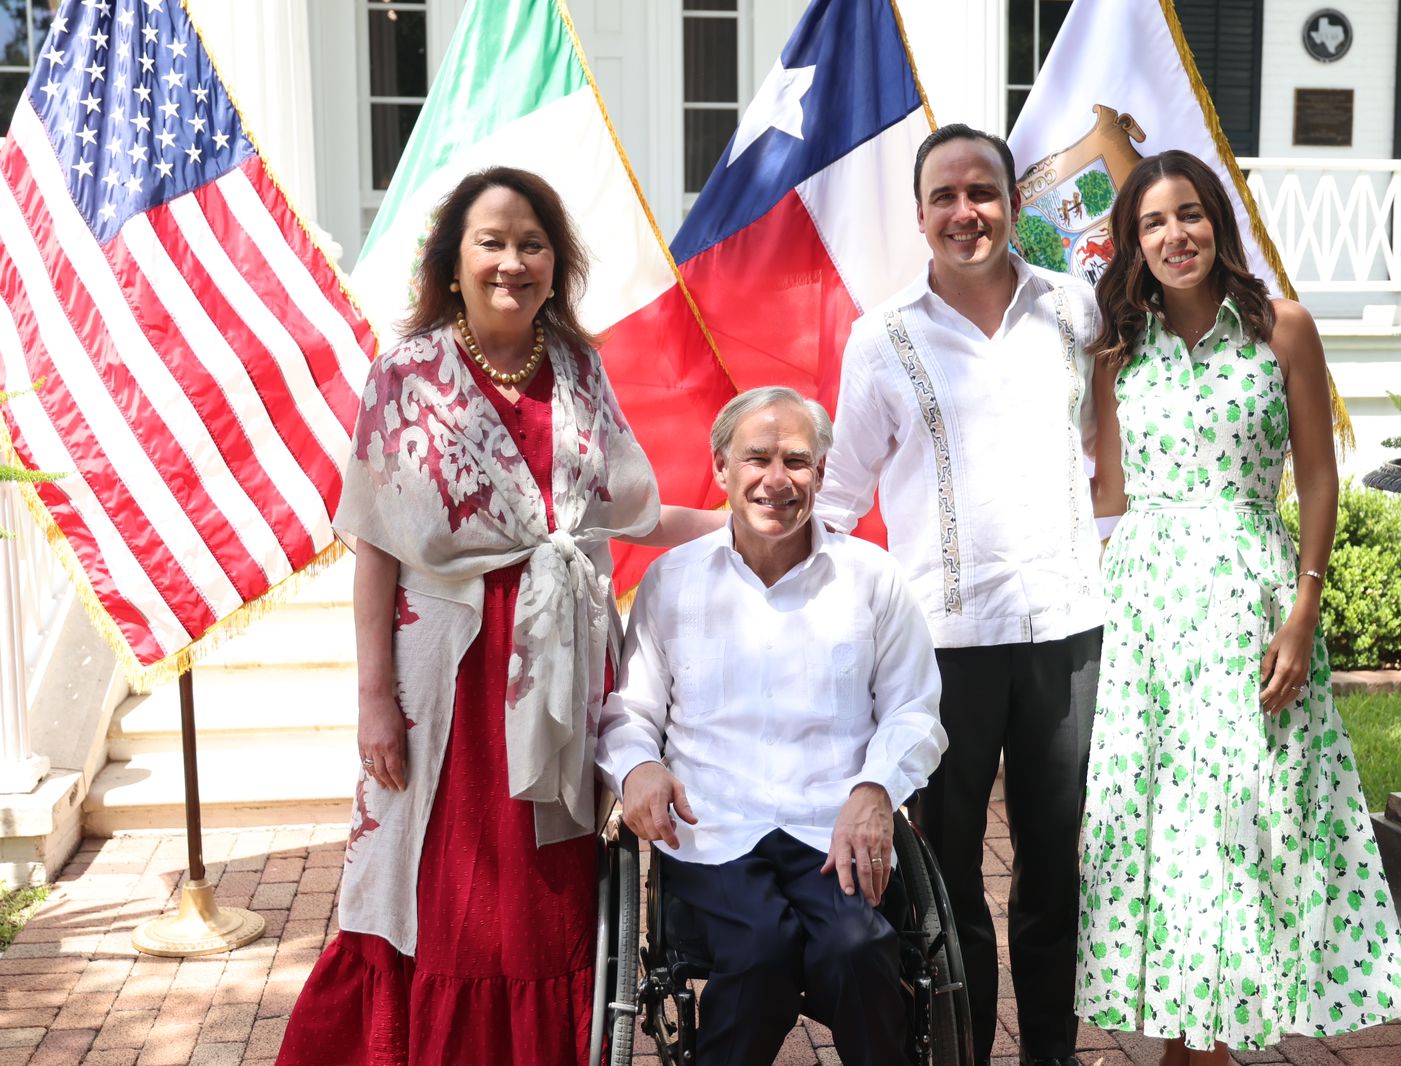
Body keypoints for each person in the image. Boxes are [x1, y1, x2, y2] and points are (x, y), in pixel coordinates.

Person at [277, 167, 707, 1065]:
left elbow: (619, 515)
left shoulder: (582, 370)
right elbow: (377, 547)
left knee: (546, 903)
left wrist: (732, 524)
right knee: (448, 898)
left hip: (561, 672)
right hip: (453, 684)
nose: (512, 261)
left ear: (556, 262)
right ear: (452, 259)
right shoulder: (406, 376)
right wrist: (372, 699)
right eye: (492, 241)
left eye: (532, 243)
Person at [1075, 149, 1401, 1065]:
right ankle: (1193, 1042)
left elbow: (1317, 476)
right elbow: (1105, 490)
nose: (1173, 235)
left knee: (1240, 825)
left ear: (1216, 222)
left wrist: (1304, 613)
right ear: (1133, 244)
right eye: (1152, 223)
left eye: (1188, 215)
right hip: (1146, 613)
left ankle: (1210, 1043)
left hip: (1248, 607)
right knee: (1157, 829)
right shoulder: (1117, 349)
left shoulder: (1281, 329)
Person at [814, 124, 1106, 1066]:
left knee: (1052, 870)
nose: (965, 212)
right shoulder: (883, 338)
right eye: (945, 196)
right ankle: (963, 1050)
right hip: (942, 646)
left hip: (1067, 632)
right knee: (945, 879)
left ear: (1013, 204)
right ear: (920, 214)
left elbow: (1116, 459)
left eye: (983, 191)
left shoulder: (1075, 311)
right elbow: (839, 499)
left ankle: (1050, 1055)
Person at [597, 386, 948, 1066]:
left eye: (796, 460)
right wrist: (639, 768)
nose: (775, 480)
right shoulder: (672, 583)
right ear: (721, 468)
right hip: (714, 827)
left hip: (832, 821)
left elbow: (913, 708)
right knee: (760, 952)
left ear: (820, 471)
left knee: (859, 950)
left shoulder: (871, 578)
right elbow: (631, 711)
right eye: (756, 458)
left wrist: (876, 790)